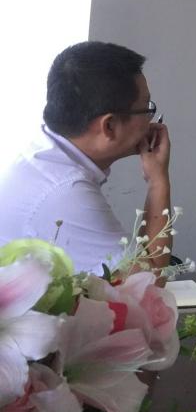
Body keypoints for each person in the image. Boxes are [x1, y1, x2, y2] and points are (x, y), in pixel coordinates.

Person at [0, 41, 172, 274]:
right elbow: (147, 280)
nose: (151, 120)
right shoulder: (65, 193)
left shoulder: (43, 154)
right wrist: (158, 181)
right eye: (146, 109)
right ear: (109, 126)